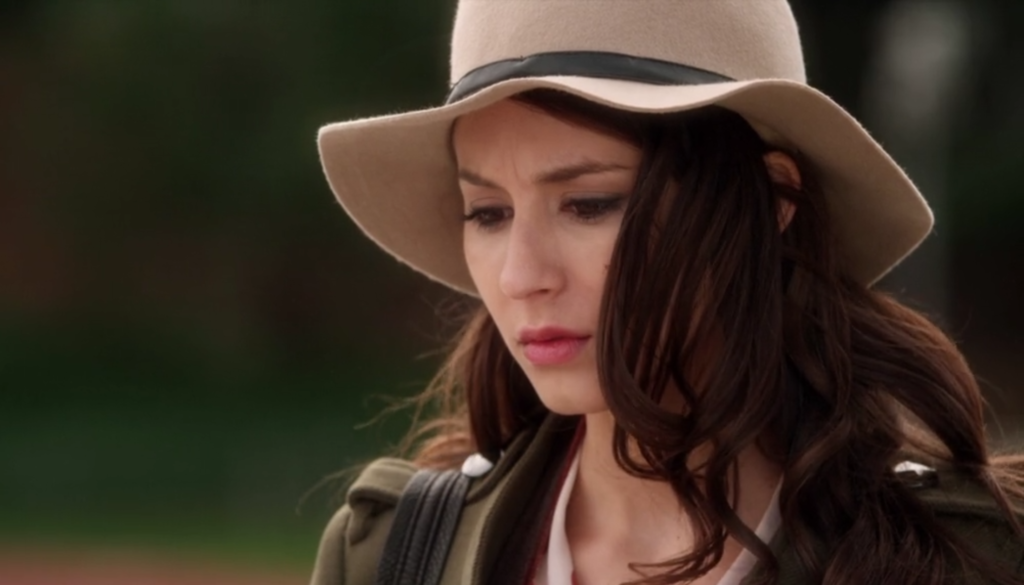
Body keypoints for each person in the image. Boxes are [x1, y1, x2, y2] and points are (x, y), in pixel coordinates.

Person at [310, 1, 1024, 584]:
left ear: (773, 199)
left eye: (588, 203)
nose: (521, 275)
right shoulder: (392, 558)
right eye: (489, 213)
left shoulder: (957, 560)